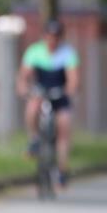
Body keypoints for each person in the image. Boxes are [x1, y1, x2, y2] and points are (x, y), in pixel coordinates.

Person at [17, 19, 79, 189]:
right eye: (50, 36)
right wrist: (23, 89)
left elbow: (73, 79)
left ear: (61, 38)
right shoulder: (35, 52)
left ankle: (62, 170)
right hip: (41, 92)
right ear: (44, 36)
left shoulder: (67, 53)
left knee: (64, 127)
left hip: (59, 94)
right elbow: (24, 75)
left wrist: (70, 89)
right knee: (32, 108)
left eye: (57, 37)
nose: (53, 40)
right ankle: (34, 139)